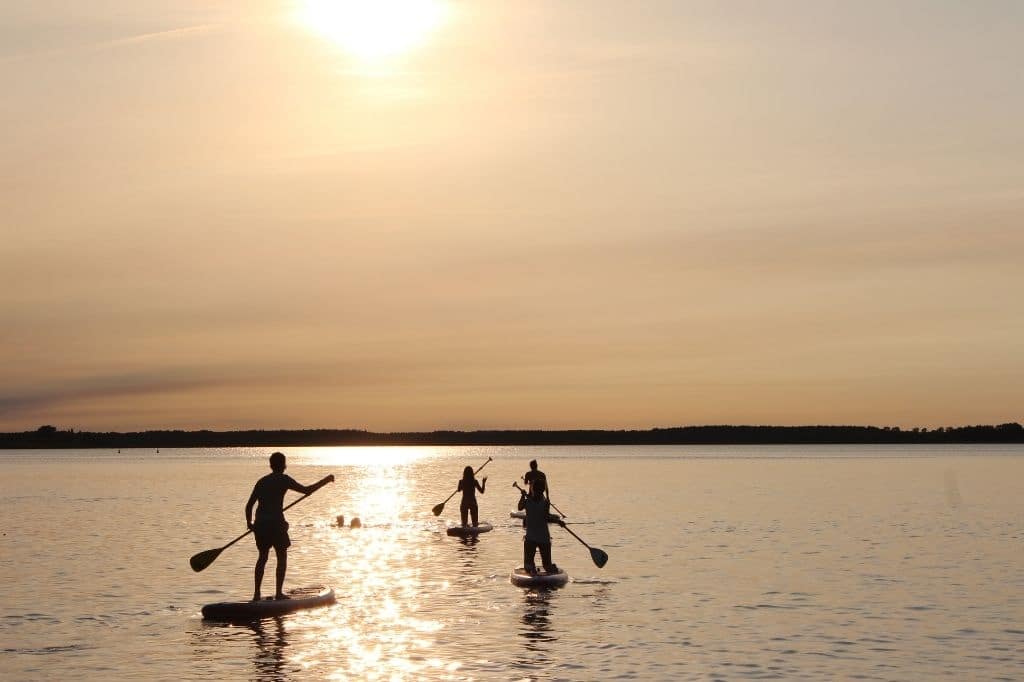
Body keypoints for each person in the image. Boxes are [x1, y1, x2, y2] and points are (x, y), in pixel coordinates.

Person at [246, 451, 334, 601]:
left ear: (271, 465)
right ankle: (279, 593)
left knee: (262, 557)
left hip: (260, 524)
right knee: (282, 557)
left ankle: (256, 594)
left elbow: (249, 506)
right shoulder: (284, 480)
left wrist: (250, 523)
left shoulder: (261, 481)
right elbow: (307, 490)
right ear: (284, 465)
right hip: (276, 524)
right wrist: (325, 480)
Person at [517, 478, 563, 574]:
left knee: (534, 565)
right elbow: (547, 517)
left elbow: (520, 507)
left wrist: (558, 521)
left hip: (536, 538)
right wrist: (557, 521)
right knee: (545, 565)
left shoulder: (532, 501)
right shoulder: (538, 502)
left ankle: (533, 568)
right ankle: (536, 568)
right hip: (538, 538)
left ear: (533, 489)